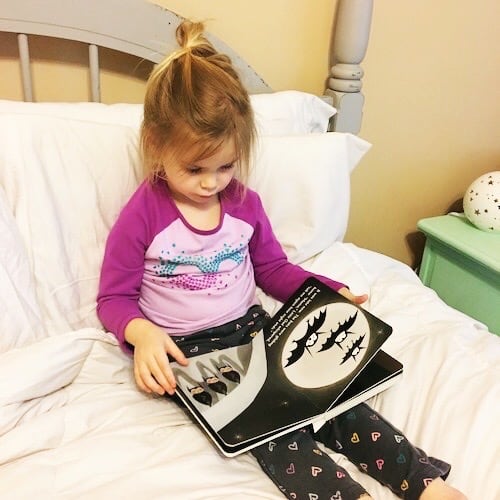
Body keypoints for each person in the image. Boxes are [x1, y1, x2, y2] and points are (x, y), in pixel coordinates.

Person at [97, 20, 466, 500]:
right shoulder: (143, 215)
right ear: (154, 146)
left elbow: (273, 270)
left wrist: (323, 290)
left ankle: (424, 483)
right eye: (195, 169)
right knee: (275, 434)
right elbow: (113, 297)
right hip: (194, 356)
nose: (211, 183)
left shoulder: (243, 203)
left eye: (225, 166)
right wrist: (141, 332)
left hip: (256, 329)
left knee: (334, 400)